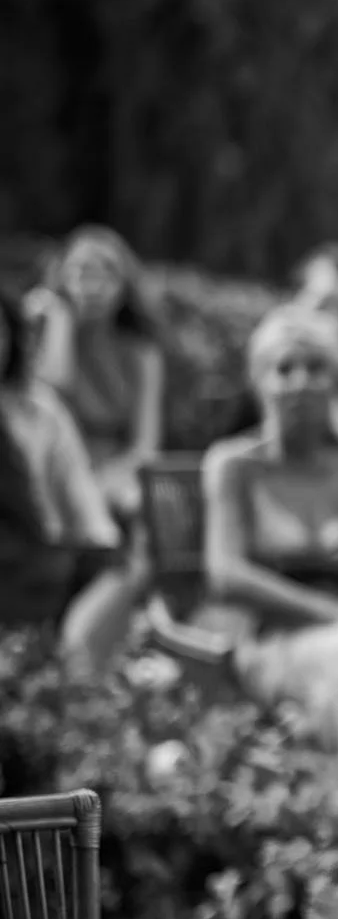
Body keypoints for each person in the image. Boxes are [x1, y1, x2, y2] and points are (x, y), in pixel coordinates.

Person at [165, 303, 338, 752]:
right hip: (269, 637)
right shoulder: (234, 465)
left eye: (316, 368)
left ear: (337, 380)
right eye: (284, 369)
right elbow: (226, 576)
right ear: (260, 381)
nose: (300, 382)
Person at [0, 286, 124, 650]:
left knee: (115, 570)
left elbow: (78, 488)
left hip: (45, 555)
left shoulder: (42, 410)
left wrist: (105, 552)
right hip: (16, 563)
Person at [30, 226, 165, 521]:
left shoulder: (140, 353)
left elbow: (145, 447)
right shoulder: (45, 332)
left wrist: (100, 482)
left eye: (108, 273)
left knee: (133, 504)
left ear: (125, 285)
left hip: (114, 473)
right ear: (61, 278)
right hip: (51, 470)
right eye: (80, 271)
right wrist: (61, 323)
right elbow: (51, 396)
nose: (93, 286)